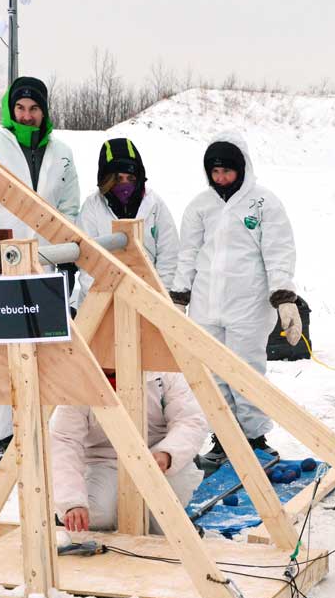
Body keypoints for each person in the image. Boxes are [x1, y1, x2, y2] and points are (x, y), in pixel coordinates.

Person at [170, 132, 301, 468]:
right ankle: (224, 439)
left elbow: (278, 253)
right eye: (215, 172)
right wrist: (179, 297)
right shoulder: (200, 206)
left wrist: (284, 298)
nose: (221, 178)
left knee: (246, 374)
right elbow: (188, 253)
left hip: (248, 306)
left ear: (242, 169)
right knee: (212, 375)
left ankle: (254, 439)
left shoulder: (264, 203)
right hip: (205, 304)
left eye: (227, 172)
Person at [0, 76, 81, 469]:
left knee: (45, 347)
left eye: (34, 109)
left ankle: (43, 428)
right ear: (10, 108)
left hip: (45, 259)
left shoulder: (62, 152)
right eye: (20, 108)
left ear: (44, 111)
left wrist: (65, 253)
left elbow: (69, 205)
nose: (27, 115)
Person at [50, 372, 207, 533]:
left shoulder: (162, 373)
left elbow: (190, 420)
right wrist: (71, 501)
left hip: (155, 457)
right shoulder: (79, 378)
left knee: (163, 516)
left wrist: (168, 453)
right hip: (104, 461)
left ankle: (168, 527)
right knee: (96, 515)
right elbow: (64, 441)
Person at [75, 137, 180, 305]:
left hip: (150, 301)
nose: (124, 185)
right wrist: (100, 303)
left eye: (130, 178)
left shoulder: (154, 205)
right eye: (117, 179)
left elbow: (169, 255)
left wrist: (160, 299)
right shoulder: (92, 207)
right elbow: (88, 264)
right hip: (102, 303)